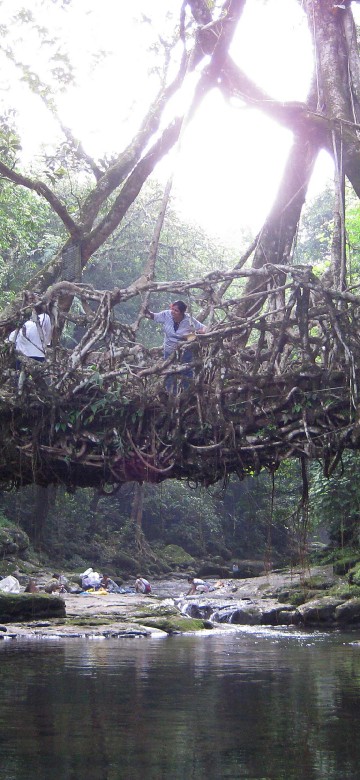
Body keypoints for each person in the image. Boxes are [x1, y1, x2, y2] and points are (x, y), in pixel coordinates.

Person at [144, 300, 206, 390]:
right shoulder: (166, 314)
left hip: (185, 351)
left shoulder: (189, 319)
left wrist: (195, 334)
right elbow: (154, 316)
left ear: (182, 313)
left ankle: (187, 392)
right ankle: (170, 393)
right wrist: (146, 310)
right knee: (169, 371)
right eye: (172, 309)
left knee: (186, 370)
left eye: (176, 310)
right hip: (169, 350)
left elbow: (204, 328)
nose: (173, 312)